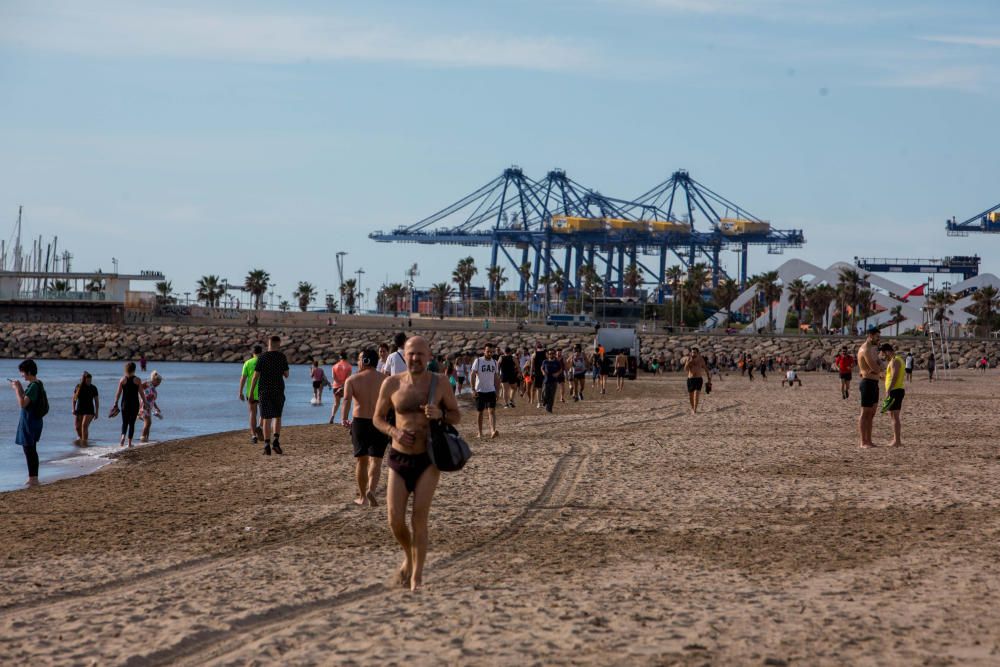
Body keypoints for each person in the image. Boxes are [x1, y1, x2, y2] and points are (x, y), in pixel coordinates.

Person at [373, 336, 460, 591]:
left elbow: (457, 415)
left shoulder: (440, 383)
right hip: (399, 458)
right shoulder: (391, 383)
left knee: (419, 518)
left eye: (421, 354)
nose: (415, 358)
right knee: (394, 520)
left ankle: (416, 577)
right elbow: (377, 418)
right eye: (411, 353)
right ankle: (408, 557)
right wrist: (394, 432)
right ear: (404, 354)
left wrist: (441, 414)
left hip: (428, 460)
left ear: (429, 357)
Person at [344, 349, 389, 506]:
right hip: (379, 421)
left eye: (359, 359)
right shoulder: (386, 380)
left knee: (361, 461)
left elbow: (346, 400)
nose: (358, 362)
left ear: (365, 361)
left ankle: (363, 497)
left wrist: (344, 419)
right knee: (376, 461)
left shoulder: (352, 380)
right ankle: (372, 490)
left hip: (360, 422)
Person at [249, 335, 290, 455]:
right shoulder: (282, 357)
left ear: (269, 344)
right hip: (278, 390)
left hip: (264, 391)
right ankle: (276, 441)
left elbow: (255, 377)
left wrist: (251, 393)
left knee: (266, 418)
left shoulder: (262, 357)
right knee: (277, 416)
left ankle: (267, 444)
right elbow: (286, 374)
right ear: (279, 344)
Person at [10, 359, 47, 486]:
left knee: (29, 450)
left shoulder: (33, 387)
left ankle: (33, 478)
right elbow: (27, 400)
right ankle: (33, 477)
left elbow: (22, 403)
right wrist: (20, 387)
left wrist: (16, 389)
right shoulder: (38, 384)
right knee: (31, 449)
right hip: (35, 421)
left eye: (23, 373)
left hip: (30, 422)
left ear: (29, 372)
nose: (22, 375)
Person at [856, 326, 883, 449]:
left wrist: (879, 369)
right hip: (867, 382)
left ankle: (869, 440)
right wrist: (878, 369)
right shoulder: (865, 349)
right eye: (877, 337)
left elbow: (879, 365)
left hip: (874, 383)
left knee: (871, 413)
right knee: (865, 413)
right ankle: (863, 441)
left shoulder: (873, 349)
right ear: (871, 336)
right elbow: (876, 367)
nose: (879, 340)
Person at [470, 343, 500, 438]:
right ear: (484, 351)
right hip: (480, 390)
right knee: (480, 411)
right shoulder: (478, 361)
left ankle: (492, 431)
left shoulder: (495, 362)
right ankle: (480, 432)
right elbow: (472, 375)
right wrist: (473, 389)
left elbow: (496, 377)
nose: (490, 353)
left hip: (491, 390)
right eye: (488, 351)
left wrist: (497, 391)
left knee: (492, 411)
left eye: (491, 352)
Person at [880, 342, 905, 447]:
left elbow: (895, 376)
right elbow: (891, 377)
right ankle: (896, 439)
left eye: (883, 353)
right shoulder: (894, 360)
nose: (882, 356)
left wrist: (888, 390)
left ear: (887, 352)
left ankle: (897, 441)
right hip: (896, 390)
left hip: (895, 390)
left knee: (894, 416)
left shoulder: (895, 361)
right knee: (893, 415)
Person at [113, 361, 144, 448]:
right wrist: (145, 402)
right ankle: (129, 443)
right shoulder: (137, 380)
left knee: (125, 422)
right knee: (132, 423)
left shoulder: (122, 380)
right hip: (134, 403)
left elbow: (118, 393)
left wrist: (115, 403)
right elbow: (141, 393)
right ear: (134, 369)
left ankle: (122, 437)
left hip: (124, 403)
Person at [239, 344, 264, 443]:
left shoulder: (248, 363)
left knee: (252, 413)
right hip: (263, 391)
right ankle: (260, 426)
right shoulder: (264, 362)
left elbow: (243, 379)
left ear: (253, 353)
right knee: (264, 413)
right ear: (261, 352)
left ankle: (253, 436)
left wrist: (240, 392)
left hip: (251, 392)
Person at [72, 371, 99, 446]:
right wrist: (73, 409)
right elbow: (74, 399)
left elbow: (96, 401)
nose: (89, 382)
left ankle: (84, 444)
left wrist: (96, 412)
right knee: (77, 427)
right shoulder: (78, 387)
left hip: (89, 410)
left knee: (84, 426)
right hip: (80, 409)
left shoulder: (93, 388)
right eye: (88, 380)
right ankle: (82, 440)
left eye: (90, 380)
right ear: (84, 380)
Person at [683, 347, 710, 415]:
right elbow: (685, 369)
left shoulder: (701, 360)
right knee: (690, 396)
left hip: (698, 379)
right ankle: (692, 407)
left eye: (694, 352)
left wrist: (709, 378)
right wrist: (688, 363)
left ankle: (695, 409)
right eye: (692, 352)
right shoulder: (688, 359)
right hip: (690, 379)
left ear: (698, 353)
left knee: (696, 395)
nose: (693, 354)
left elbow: (706, 369)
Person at [330, 351, 354, 426]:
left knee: (336, 403)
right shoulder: (349, 366)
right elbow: (348, 378)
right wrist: (342, 385)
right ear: (346, 357)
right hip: (345, 387)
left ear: (339, 357)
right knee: (345, 402)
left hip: (335, 386)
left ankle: (332, 416)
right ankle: (343, 419)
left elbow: (333, 377)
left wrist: (338, 384)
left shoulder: (334, 366)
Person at [139, 371, 163, 442]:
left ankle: (146, 438)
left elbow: (152, 400)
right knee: (148, 422)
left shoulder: (153, 388)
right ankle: (142, 438)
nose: (159, 384)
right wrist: (141, 398)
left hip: (149, 407)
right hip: (144, 405)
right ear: (154, 380)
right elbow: (139, 387)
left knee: (149, 423)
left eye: (160, 383)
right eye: (158, 382)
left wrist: (156, 407)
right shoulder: (148, 383)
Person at [540, 348, 562, 413]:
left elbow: (560, 369)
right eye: (550, 354)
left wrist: (557, 373)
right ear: (548, 354)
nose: (551, 355)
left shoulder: (557, 362)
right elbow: (541, 368)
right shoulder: (545, 361)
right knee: (545, 394)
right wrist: (543, 372)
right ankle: (544, 402)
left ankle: (549, 409)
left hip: (554, 381)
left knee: (552, 396)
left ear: (554, 354)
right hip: (546, 380)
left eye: (552, 354)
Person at [531, 343, 546, 408]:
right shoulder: (545, 353)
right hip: (545, 372)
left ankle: (539, 403)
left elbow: (532, 366)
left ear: (536, 348)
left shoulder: (534, 354)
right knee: (544, 388)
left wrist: (531, 374)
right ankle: (543, 401)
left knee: (538, 389)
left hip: (537, 373)